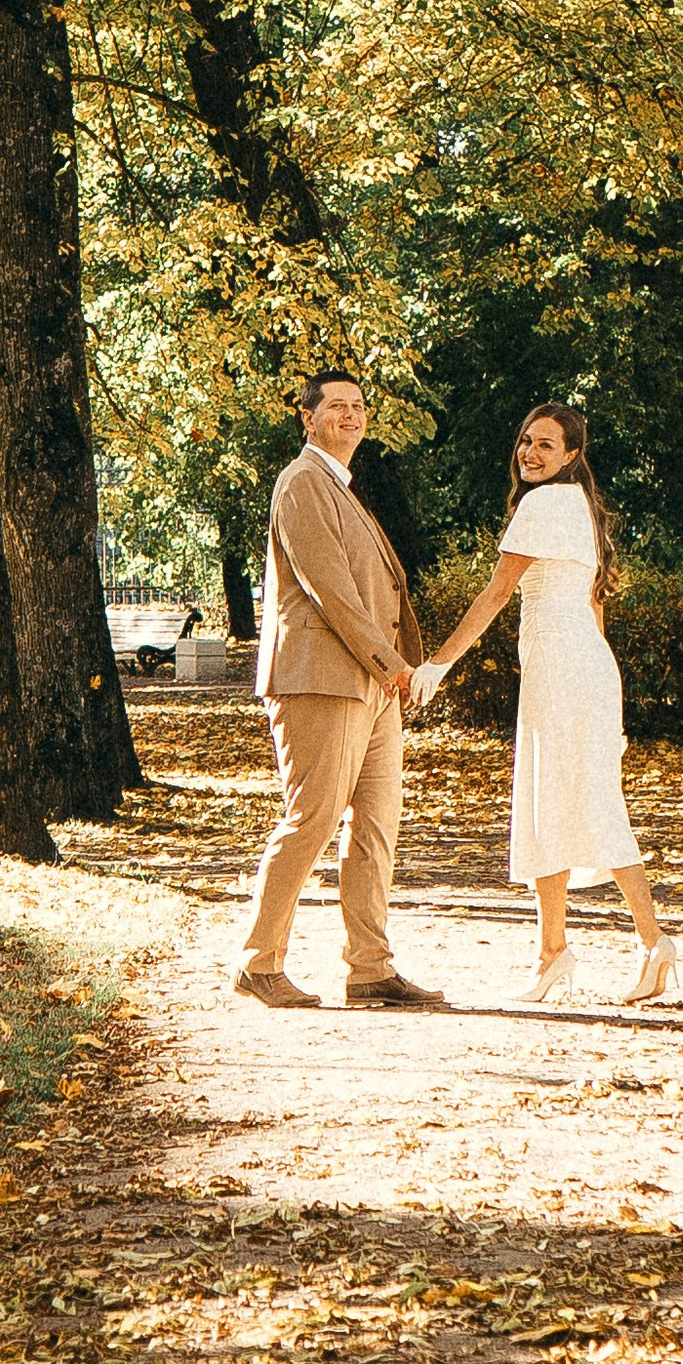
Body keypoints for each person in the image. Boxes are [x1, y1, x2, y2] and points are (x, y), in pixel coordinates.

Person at [424, 399, 680, 1004]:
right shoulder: (580, 508)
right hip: (584, 666)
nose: (531, 453)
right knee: (566, 800)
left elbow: (494, 595)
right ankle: (575, 947)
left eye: (546, 445)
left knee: (568, 800)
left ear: (571, 456)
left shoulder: (545, 504)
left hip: (564, 669)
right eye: (526, 442)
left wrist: (439, 663)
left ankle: (625, 945)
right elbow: (596, 608)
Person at [236, 370, 446, 1010]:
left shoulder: (340, 485)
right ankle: (258, 963)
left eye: (357, 406)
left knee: (377, 826)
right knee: (312, 818)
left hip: (372, 684)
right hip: (320, 678)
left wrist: (391, 669)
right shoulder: (301, 483)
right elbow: (329, 589)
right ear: (307, 418)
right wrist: (393, 663)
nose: (350, 415)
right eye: (335, 406)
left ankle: (370, 969)